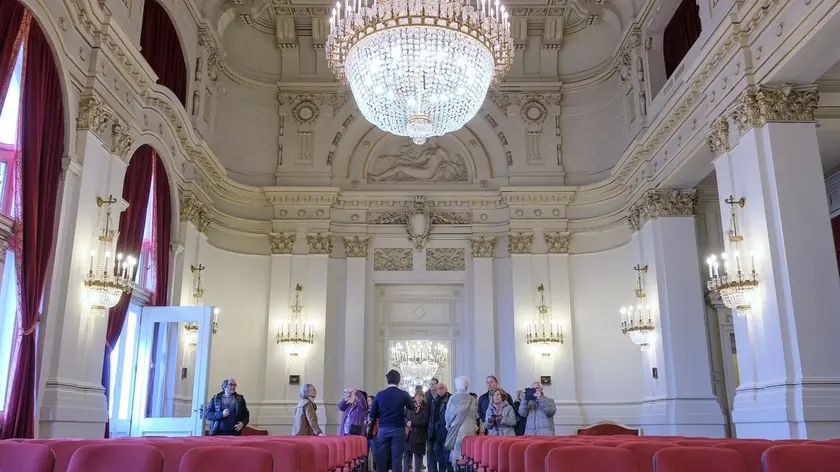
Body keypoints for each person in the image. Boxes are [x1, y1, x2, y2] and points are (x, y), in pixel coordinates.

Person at [370, 369, 414, 472]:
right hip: (398, 429)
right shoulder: (403, 394)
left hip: (383, 429)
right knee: (397, 459)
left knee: (382, 459)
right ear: (398, 381)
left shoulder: (380, 394)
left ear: (387, 380)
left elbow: (372, 414)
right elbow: (411, 407)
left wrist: (381, 414)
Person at [444, 376, 478, 470]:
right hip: (470, 430)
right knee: (468, 455)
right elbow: (475, 415)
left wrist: (448, 425)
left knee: (458, 455)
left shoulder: (454, 398)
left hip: (458, 430)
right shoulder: (472, 398)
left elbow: (449, 415)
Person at [404, 390, 429, 472]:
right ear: (414, 397)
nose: (418, 398)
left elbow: (425, 421)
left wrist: (412, 423)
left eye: (420, 396)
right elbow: (404, 416)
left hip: (419, 435)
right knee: (406, 456)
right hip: (408, 434)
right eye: (417, 396)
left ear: (423, 397)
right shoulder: (409, 406)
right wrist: (407, 422)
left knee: (418, 457)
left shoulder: (426, 407)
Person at [429, 383, 451, 472]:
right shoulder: (434, 400)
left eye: (441, 388)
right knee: (438, 455)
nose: (440, 390)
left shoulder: (450, 398)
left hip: (446, 431)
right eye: (438, 388)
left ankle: (449, 470)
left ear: (446, 389)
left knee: (447, 455)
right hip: (436, 432)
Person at [424, 378, 439, 471]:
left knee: (438, 451)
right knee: (429, 451)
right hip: (428, 427)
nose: (432, 386)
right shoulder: (425, 395)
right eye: (430, 384)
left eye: (434, 384)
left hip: (439, 427)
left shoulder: (442, 394)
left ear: (437, 385)